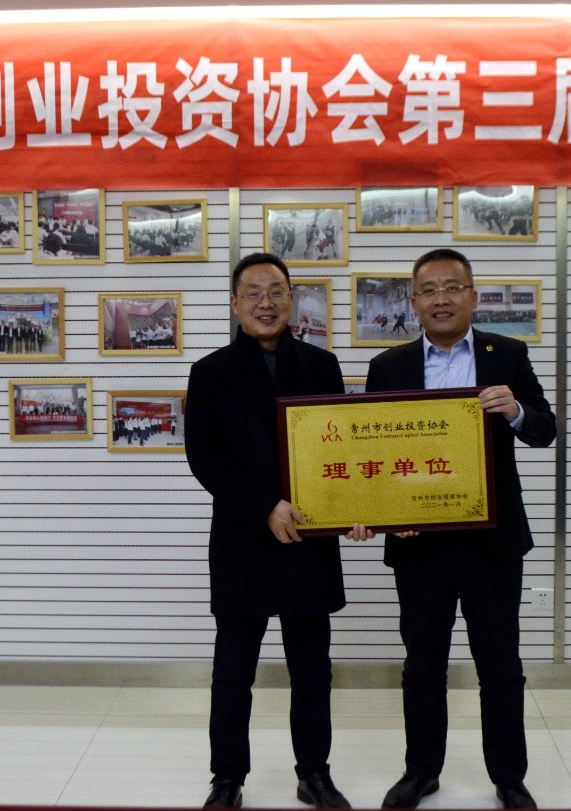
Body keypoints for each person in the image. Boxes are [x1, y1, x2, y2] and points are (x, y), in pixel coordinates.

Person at [365, 248, 556, 811]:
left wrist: (515, 410)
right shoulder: (389, 366)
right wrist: (385, 514)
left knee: (501, 666)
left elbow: (544, 429)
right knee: (423, 665)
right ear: (414, 302)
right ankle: (422, 771)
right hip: (419, 543)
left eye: (452, 287)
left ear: (473, 297)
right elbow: (370, 451)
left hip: (492, 543)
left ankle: (509, 777)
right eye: (429, 290)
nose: (441, 298)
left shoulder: (507, 355)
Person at [185, 252, 372, 811]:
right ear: (234, 303)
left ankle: (314, 774)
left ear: (292, 300)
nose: (265, 303)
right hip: (243, 540)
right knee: (233, 670)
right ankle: (227, 778)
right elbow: (205, 459)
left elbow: (342, 450)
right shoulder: (210, 371)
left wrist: (356, 507)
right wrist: (265, 506)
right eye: (253, 293)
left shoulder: (322, 365)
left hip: (309, 541)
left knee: (312, 669)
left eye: (276, 292)